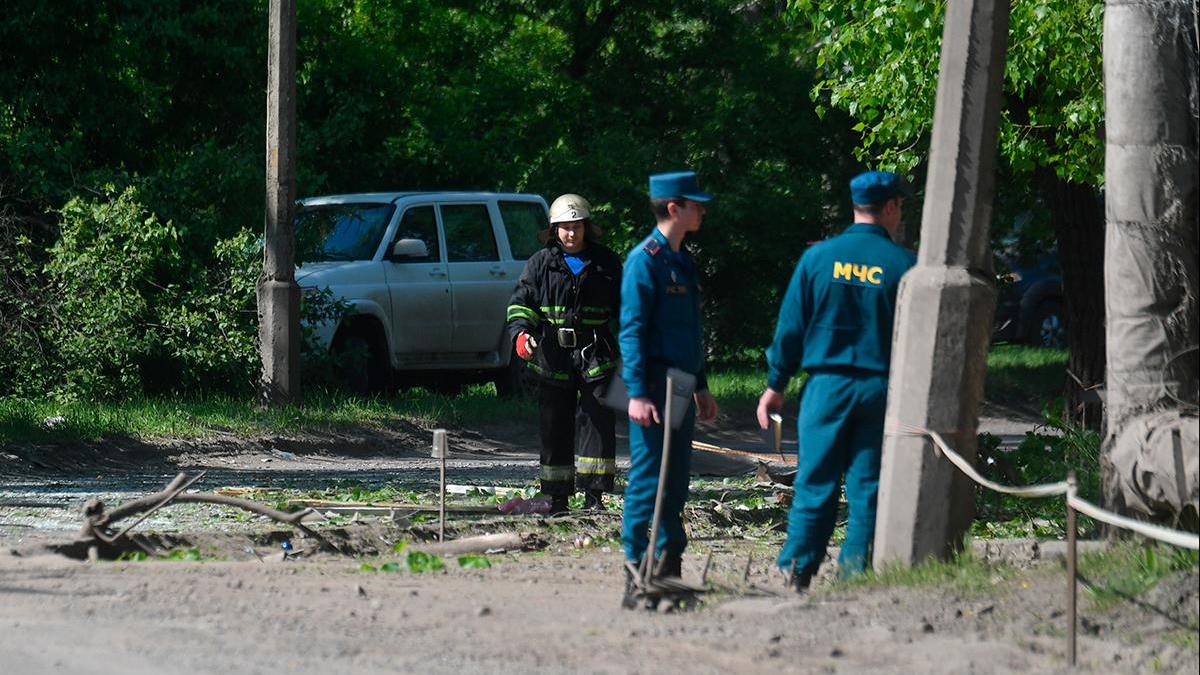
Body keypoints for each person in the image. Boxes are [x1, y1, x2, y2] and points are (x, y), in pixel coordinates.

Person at [756, 170, 917, 592]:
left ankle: (798, 569)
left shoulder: (818, 259)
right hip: (881, 390)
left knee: (815, 479)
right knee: (869, 486)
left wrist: (776, 385)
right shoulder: (906, 266)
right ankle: (855, 574)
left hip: (825, 388)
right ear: (889, 208)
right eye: (899, 207)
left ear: (855, 206)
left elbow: (791, 328)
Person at [619, 171, 719, 607]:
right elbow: (632, 330)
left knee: (676, 479)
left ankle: (668, 568)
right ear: (673, 208)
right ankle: (635, 573)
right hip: (652, 385)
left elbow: (691, 329)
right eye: (696, 204)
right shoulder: (645, 260)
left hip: (680, 383)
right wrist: (637, 393)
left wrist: (701, 384)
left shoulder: (681, 259)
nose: (703, 210)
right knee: (648, 480)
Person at [506, 194, 622, 514]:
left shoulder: (607, 264)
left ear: (586, 227)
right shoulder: (540, 263)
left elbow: (627, 311)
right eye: (564, 227)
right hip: (553, 355)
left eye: (576, 227)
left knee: (597, 423)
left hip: (596, 355)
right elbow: (520, 304)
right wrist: (522, 334)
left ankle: (595, 497)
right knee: (554, 424)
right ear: (554, 230)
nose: (571, 234)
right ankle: (558, 498)